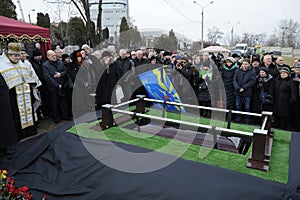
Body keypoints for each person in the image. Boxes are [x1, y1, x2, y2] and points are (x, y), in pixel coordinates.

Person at [0, 43, 38, 139]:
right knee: (16, 114)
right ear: (9, 55)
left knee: (29, 111)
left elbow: (30, 77)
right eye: (15, 56)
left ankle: (30, 130)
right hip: (13, 95)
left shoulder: (23, 65)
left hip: (26, 93)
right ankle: (20, 133)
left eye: (18, 55)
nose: (17, 58)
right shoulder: (3, 66)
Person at [43, 50, 69, 123]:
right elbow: (47, 78)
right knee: (55, 103)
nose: (54, 57)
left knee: (63, 102)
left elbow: (65, 71)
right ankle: (57, 118)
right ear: (48, 56)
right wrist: (57, 85)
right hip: (53, 88)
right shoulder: (45, 65)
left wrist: (60, 74)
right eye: (52, 56)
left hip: (62, 85)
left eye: (55, 55)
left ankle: (65, 116)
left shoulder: (60, 63)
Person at [233, 59, 256, 124]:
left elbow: (252, 81)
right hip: (238, 91)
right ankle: (238, 120)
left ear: (249, 64)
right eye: (243, 64)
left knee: (247, 107)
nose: (244, 65)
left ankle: (247, 121)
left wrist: (244, 88)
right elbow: (234, 80)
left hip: (247, 91)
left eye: (246, 64)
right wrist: (237, 88)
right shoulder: (237, 71)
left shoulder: (253, 72)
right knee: (238, 106)